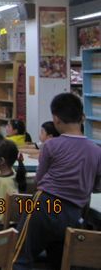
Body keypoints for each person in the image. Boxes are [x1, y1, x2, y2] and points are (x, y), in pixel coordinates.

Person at [14, 93, 101, 269]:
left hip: (45, 205)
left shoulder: (51, 145)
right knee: (61, 261)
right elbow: (97, 186)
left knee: (20, 257)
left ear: (56, 119)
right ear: (82, 118)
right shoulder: (96, 150)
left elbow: (39, 179)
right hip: (74, 212)